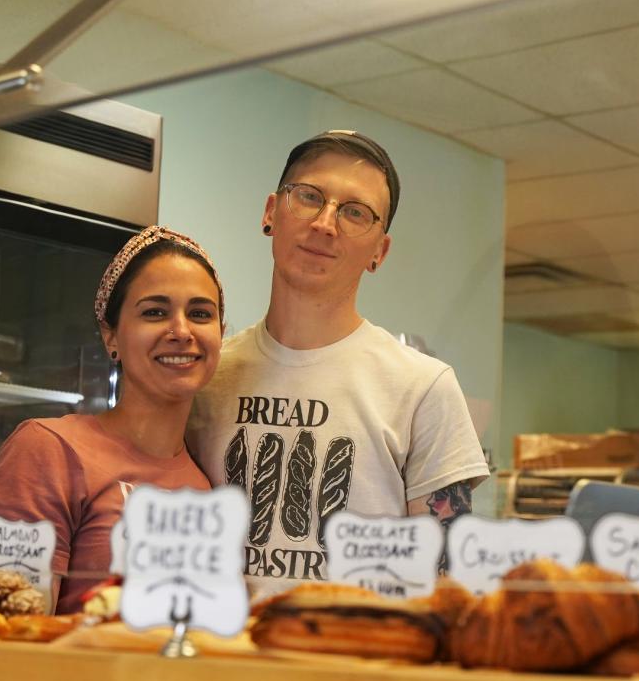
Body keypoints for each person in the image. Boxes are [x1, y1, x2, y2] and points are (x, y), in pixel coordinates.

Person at [187, 130, 488, 595]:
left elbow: (446, 588)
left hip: (355, 657)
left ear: (379, 252)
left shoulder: (422, 386)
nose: (325, 223)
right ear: (271, 212)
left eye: (355, 213)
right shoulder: (205, 374)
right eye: (308, 197)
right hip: (219, 659)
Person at [0, 226, 225, 614]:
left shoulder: (205, 483)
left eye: (199, 314)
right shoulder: (48, 449)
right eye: (155, 312)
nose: (181, 331)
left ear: (220, 333)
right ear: (111, 337)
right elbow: (14, 631)